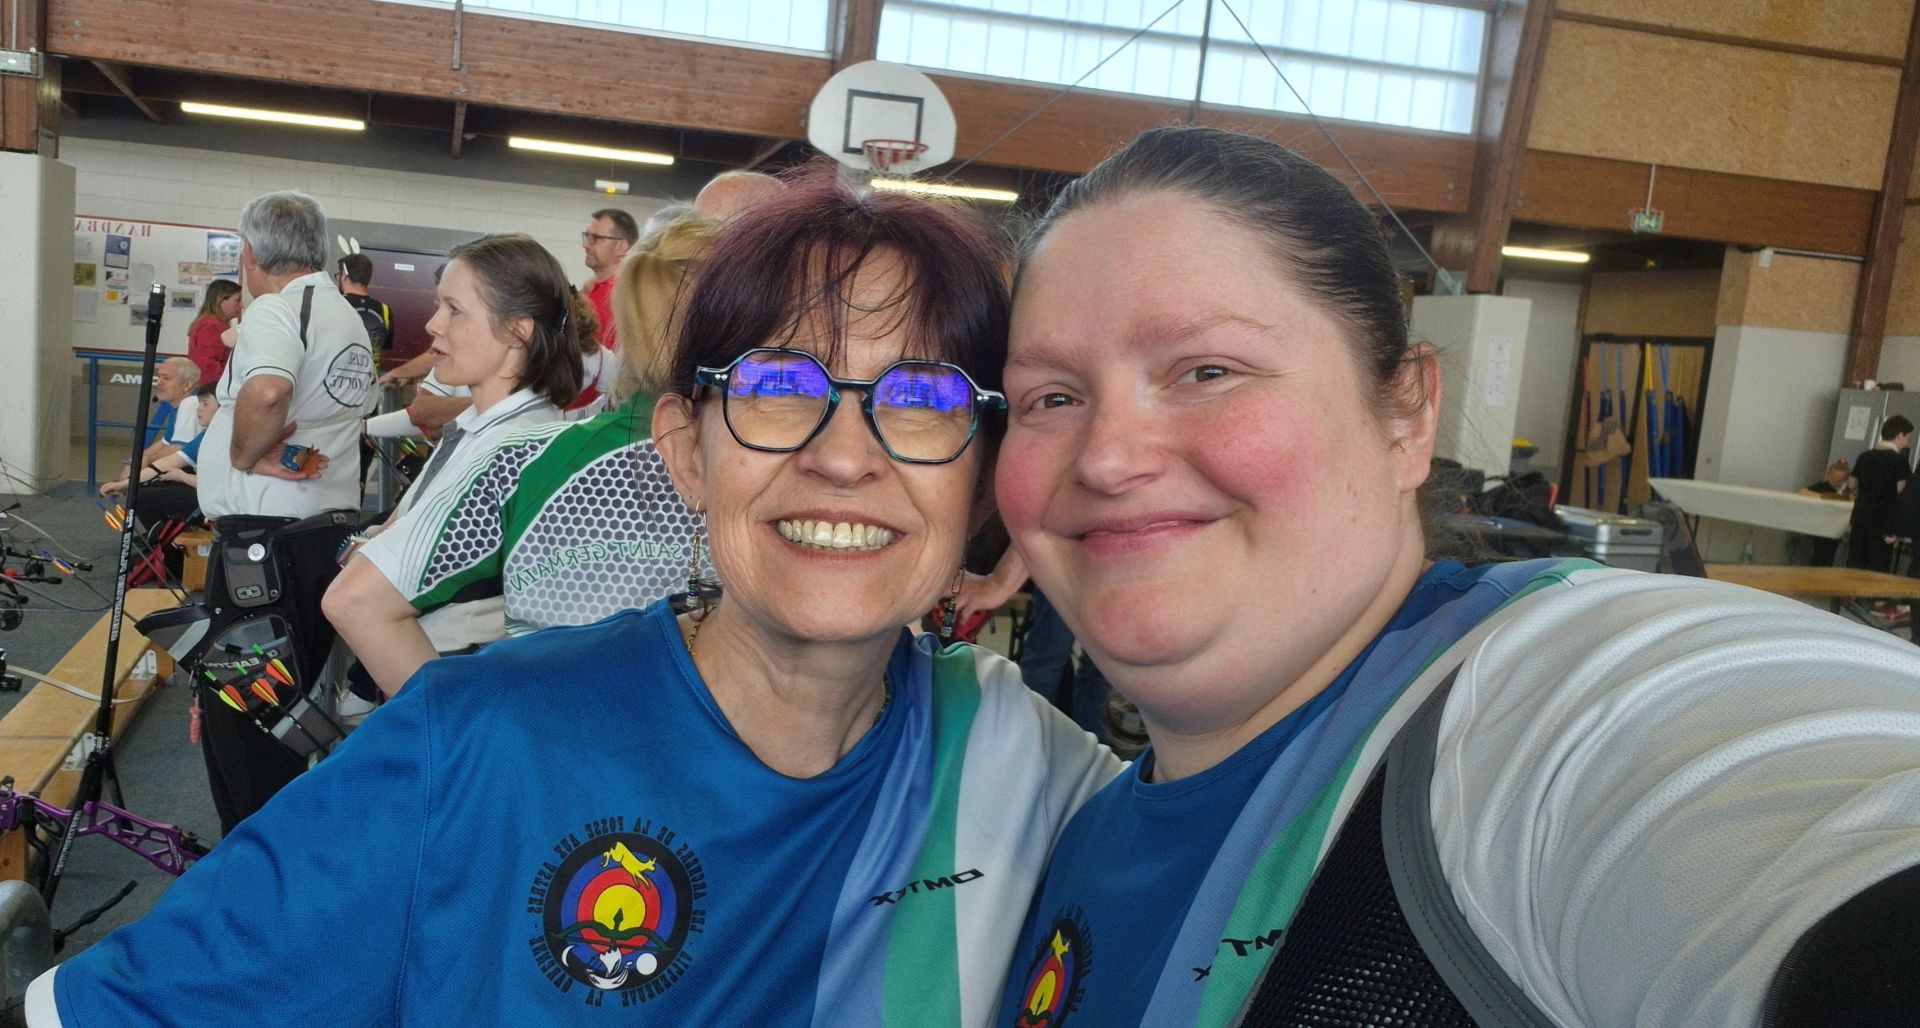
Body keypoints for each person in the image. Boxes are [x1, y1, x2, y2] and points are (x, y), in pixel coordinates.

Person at [29, 175, 1120, 1026]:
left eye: (923, 395)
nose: (845, 457)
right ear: (685, 451)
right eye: (778, 385)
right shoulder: (474, 741)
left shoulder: (1036, 770)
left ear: (985, 475)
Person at [991, 127, 1920, 1027]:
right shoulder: (1070, 844)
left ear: (1407, 413)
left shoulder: (1548, 709)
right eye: (1053, 397)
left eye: (1206, 370)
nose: (1107, 457)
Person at [193, 189, 374, 833]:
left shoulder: (278, 308)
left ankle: (255, 876)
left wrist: (242, 453)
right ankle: (279, 863)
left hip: (264, 552)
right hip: (310, 541)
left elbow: (269, 391)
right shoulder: (341, 313)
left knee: (248, 731)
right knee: (281, 719)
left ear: (247, 252)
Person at [325, 233, 587, 673]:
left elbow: (352, 600)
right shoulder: (478, 427)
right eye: (438, 306)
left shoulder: (509, 449)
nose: (433, 325)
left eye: (454, 310)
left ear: (517, 332)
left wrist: (432, 713)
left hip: (450, 667)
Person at [1848, 415, 1912, 572]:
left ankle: (1849, 589)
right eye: (1907, 437)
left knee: (1855, 562)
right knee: (1878, 564)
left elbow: (1852, 484)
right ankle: (1874, 590)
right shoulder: (1899, 461)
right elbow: (1901, 492)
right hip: (1883, 522)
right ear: (1899, 435)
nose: (1907, 441)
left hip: (1860, 517)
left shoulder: (1864, 456)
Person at [581, 206, 636, 350]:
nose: (585, 245)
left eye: (595, 238)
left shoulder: (623, 294)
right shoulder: (590, 289)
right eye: (586, 236)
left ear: (621, 246)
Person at [185, 280, 243, 387]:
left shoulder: (217, 324)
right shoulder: (210, 326)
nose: (241, 306)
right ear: (221, 301)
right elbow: (208, 365)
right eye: (237, 301)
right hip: (211, 387)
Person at [1799, 458, 1853, 566]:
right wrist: (1827, 497)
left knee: (1829, 557)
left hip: (1837, 527)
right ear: (1829, 475)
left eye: (1840, 480)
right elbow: (1802, 491)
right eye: (1834, 478)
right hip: (1821, 527)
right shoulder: (1823, 486)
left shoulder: (1846, 491)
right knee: (1818, 556)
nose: (1836, 482)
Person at [336, 252, 393, 355]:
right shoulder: (385, 310)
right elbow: (385, 345)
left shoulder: (334, 304)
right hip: (371, 365)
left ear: (343, 276)